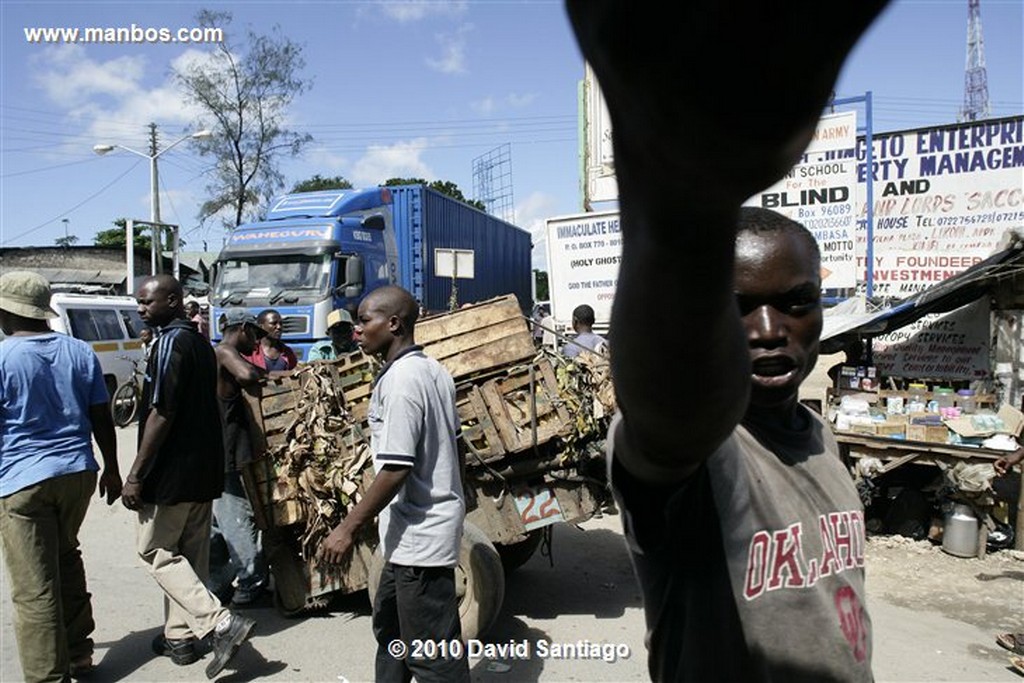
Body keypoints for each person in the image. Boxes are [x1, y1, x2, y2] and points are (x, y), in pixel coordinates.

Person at [564, 0, 887, 679]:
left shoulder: (820, 437)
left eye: (795, 304)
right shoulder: (701, 456)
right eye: (737, 307)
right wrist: (683, 181)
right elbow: (673, 412)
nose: (769, 331)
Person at [317, 285, 469, 682]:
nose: (357, 331)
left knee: (432, 657)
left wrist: (347, 528)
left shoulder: (403, 382)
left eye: (365, 321)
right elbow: (456, 448)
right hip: (408, 537)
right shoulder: (433, 370)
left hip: (422, 539)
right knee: (391, 631)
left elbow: (397, 467)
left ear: (395, 323)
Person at [121, 274, 256, 679]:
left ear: (175, 301)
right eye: (139, 302)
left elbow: (162, 412)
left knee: (155, 552)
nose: (141, 308)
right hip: (202, 470)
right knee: (189, 557)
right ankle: (180, 637)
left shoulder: (169, 344)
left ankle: (219, 622)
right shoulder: (200, 342)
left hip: (173, 473)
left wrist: (136, 474)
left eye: (148, 301)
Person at [0, 271, 122, 682]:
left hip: (23, 483)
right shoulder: (79, 351)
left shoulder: (3, 357)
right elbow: (101, 416)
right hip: (78, 474)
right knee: (66, 557)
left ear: (5, 312)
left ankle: (46, 677)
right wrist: (114, 469)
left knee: (34, 587)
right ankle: (79, 653)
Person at [209, 310, 270, 606]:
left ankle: (218, 584)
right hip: (227, 451)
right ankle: (250, 582)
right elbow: (247, 375)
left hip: (220, 451)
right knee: (236, 518)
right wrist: (262, 374)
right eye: (255, 335)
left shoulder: (219, 353)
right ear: (243, 329)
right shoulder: (224, 352)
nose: (257, 342)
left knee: (218, 523)